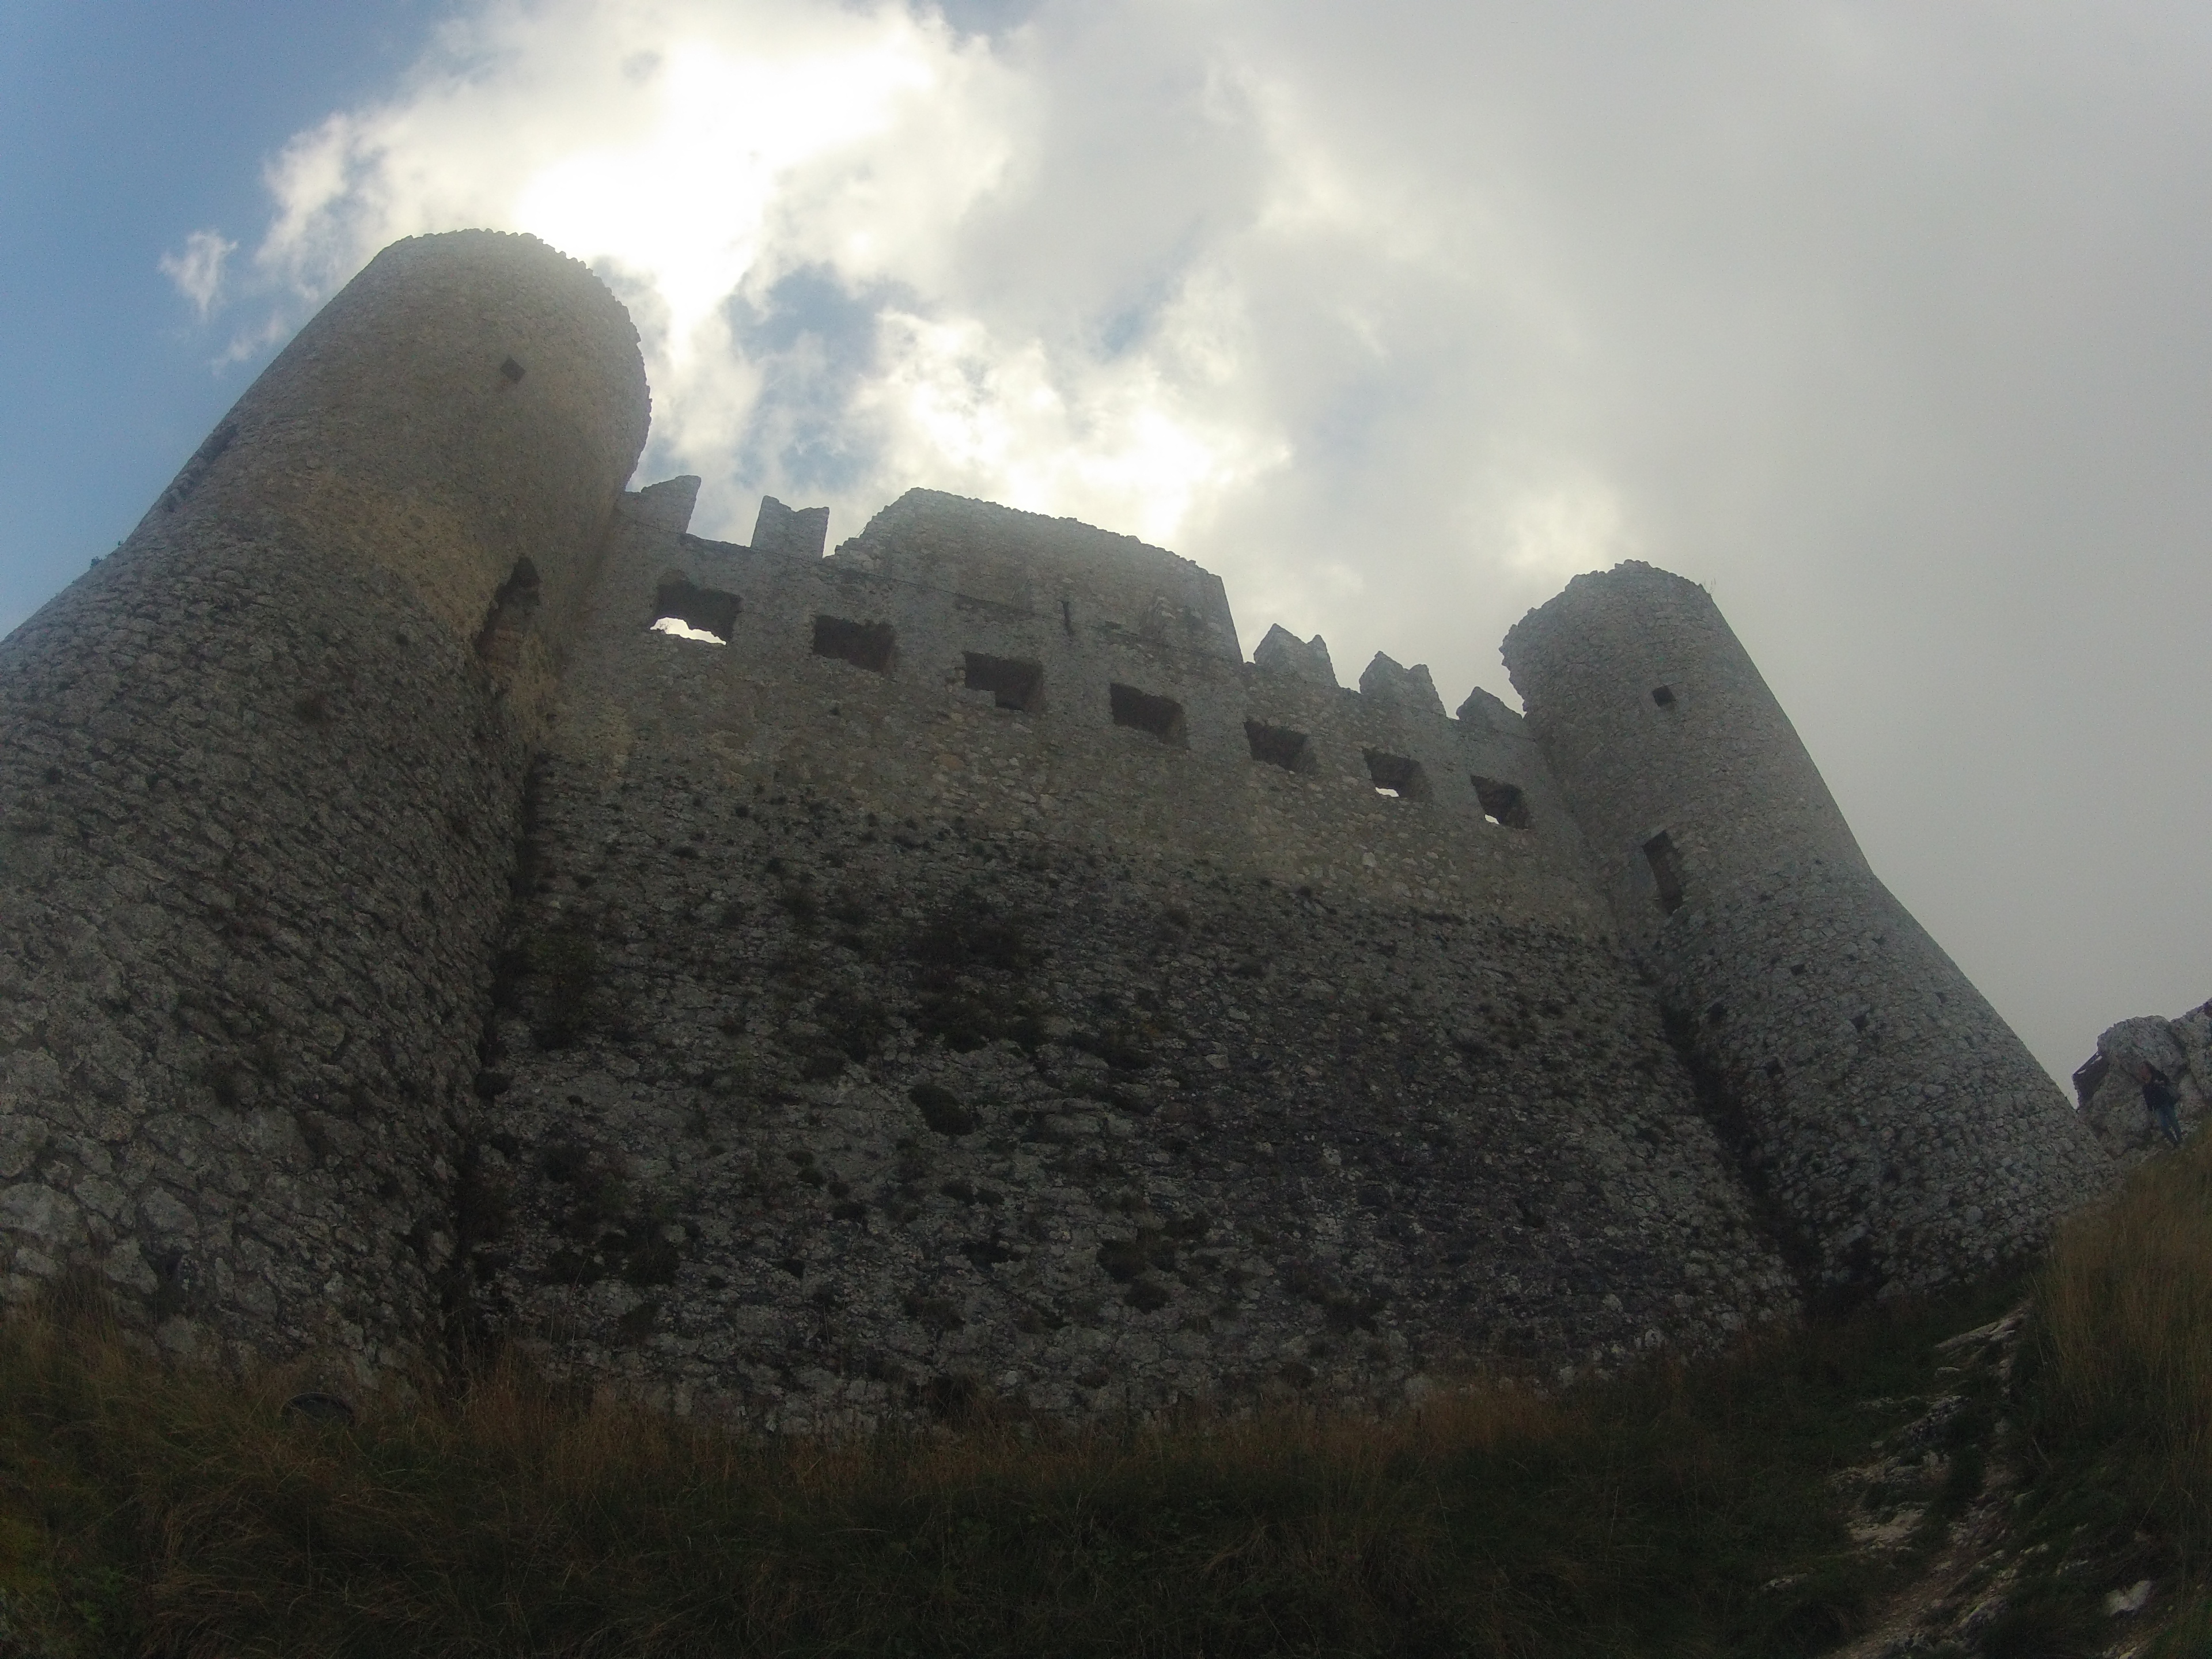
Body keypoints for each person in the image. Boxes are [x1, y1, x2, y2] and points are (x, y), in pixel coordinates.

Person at [2138, 1062, 2184, 1148]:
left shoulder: (2157, 1075)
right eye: (2141, 1069)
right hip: (2157, 1108)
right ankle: (2175, 1142)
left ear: (2148, 1067)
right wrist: (2151, 1110)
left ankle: (2180, 1140)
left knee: (2174, 1122)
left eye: (2143, 1067)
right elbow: (2147, 1099)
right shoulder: (2145, 1086)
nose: (2142, 1070)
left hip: (2166, 1102)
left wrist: (2161, 1083)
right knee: (2163, 1127)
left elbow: (2166, 1080)